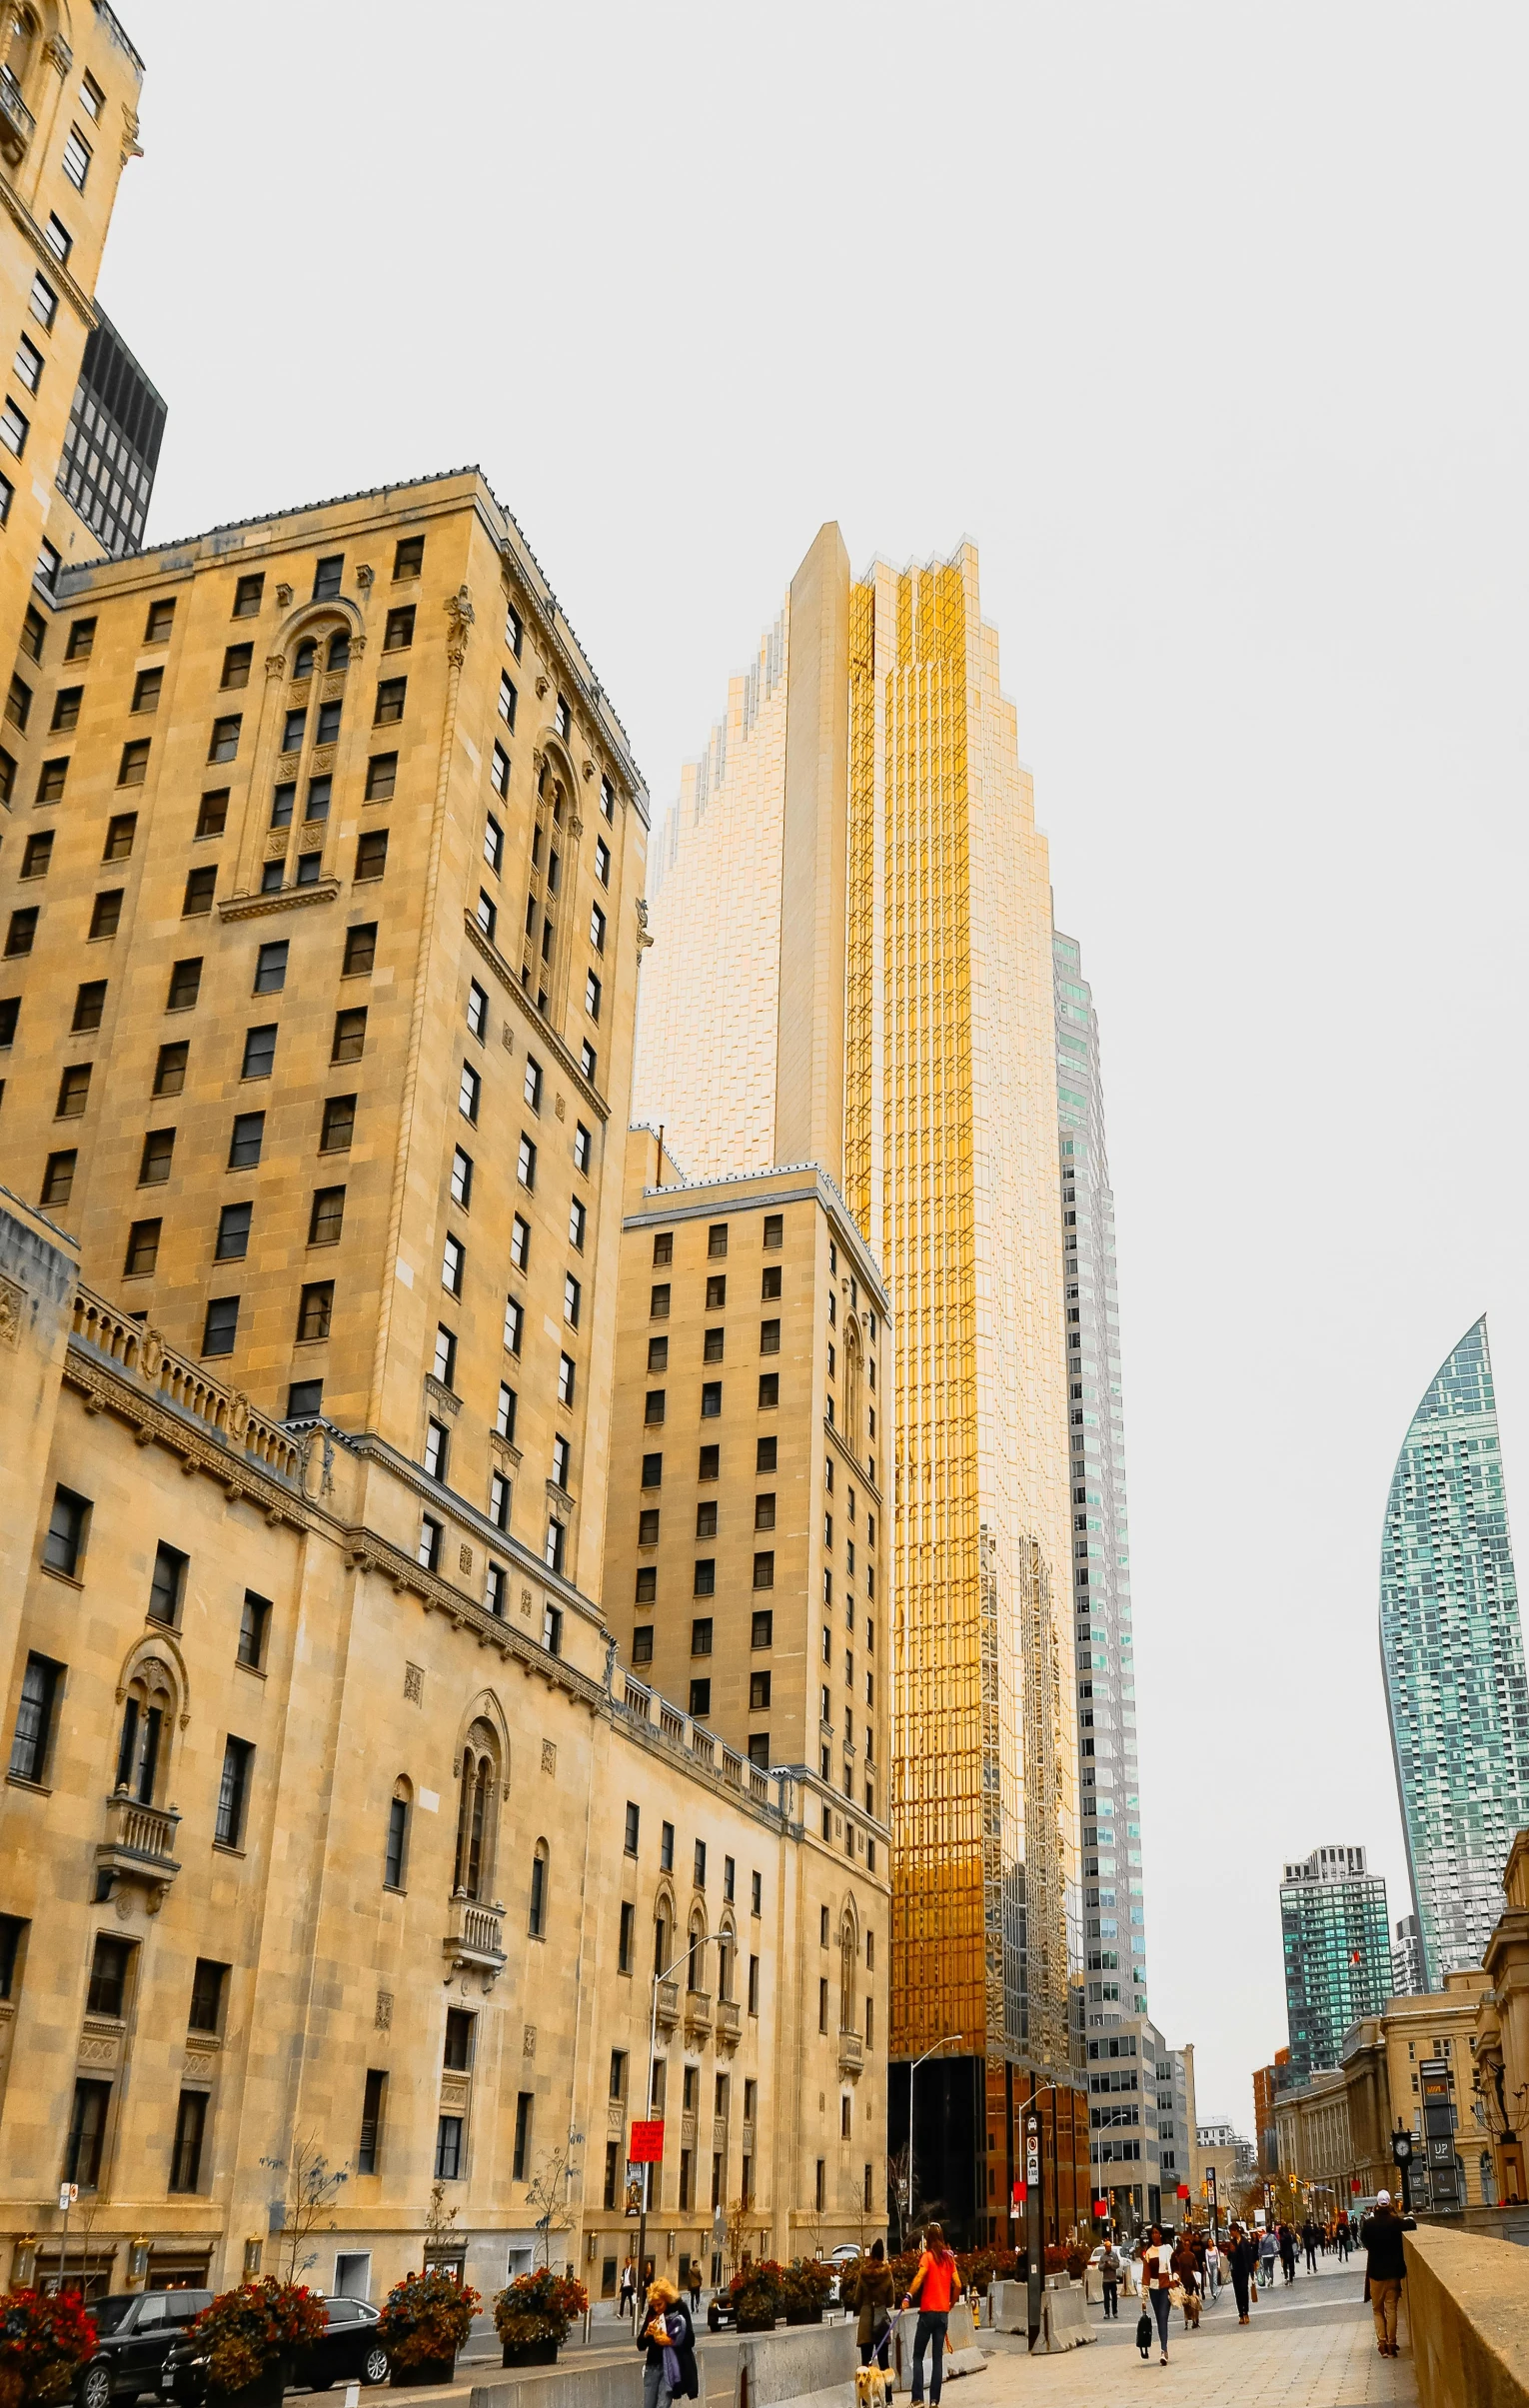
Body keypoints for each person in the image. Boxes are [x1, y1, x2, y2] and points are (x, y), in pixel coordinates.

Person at [901, 2223, 961, 2405]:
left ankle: (918, 2398)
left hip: (927, 2314)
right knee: (937, 2358)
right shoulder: (949, 2260)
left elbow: (920, 2277)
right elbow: (958, 2285)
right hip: (943, 2314)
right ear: (942, 2238)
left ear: (928, 2240)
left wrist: (907, 2297)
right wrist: (950, 2304)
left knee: (918, 2356)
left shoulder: (927, 2257)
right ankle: (934, 2400)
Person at [1361, 2188, 1415, 2359]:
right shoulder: (1395, 2222)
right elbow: (1411, 2224)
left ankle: (1382, 2344)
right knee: (1391, 2308)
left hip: (1376, 2273)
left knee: (1377, 2309)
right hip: (1393, 2272)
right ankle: (1392, 2343)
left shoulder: (1369, 2225)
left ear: (1377, 2204)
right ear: (1389, 2203)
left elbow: (1365, 2242)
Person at [636, 2277, 698, 2408]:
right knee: (648, 2405)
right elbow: (640, 2344)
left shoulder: (680, 2308)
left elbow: (690, 2339)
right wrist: (647, 2333)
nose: (657, 2308)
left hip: (669, 2366)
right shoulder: (652, 2312)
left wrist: (670, 2340)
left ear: (667, 2299)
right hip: (652, 2366)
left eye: (660, 2304)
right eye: (654, 2305)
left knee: (662, 2405)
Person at [848, 2238, 895, 2367]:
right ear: (882, 2255)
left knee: (865, 2365)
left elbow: (857, 2299)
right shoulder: (887, 2274)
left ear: (872, 2254)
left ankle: (867, 2388)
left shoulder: (863, 2274)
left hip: (865, 2320)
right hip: (881, 2321)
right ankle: (887, 2387)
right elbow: (891, 2301)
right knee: (884, 2364)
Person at [1139, 2225, 1175, 2364]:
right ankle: (1164, 2348)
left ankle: (1163, 2349)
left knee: (1163, 2316)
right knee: (1159, 2319)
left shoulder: (1168, 2249)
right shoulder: (1149, 2252)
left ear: (1161, 2234)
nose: (1154, 2235)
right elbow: (1146, 2275)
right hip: (1154, 2289)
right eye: (1152, 2233)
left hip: (1166, 2286)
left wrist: (1175, 2279)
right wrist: (1144, 2295)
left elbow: (1175, 2265)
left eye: (1156, 2232)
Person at [1225, 2223, 1257, 2324]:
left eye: (1232, 2231)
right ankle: (1240, 2314)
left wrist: (1252, 2272)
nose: (1231, 2233)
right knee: (1238, 2293)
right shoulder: (1232, 2242)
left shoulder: (1245, 2242)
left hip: (1244, 2270)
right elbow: (1229, 2257)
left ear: (1236, 2231)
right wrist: (1231, 2252)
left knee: (1244, 2291)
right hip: (1235, 2271)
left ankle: (1246, 2312)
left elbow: (1249, 2257)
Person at [1170, 2234, 1200, 2330]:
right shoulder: (1182, 2257)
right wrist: (1179, 2281)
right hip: (1184, 2281)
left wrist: (1196, 2281)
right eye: (1185, 2244)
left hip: (1191, 2281)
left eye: (1188, 2245)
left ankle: (1194, 2319)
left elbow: (1196, 2268)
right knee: (1185, 2301)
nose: (1186, 2246)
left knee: (1192, 2300)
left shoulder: (1192, 2256)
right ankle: (1188, 2319)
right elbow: (1180, 2269)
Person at [1098, 2236, 1122, 2320]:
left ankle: (1115, 2311)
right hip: (1106, 2280)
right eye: (1107, 2247)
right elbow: (1100, 2267)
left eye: (1109, 2247)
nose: (1108, 2248)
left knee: (1114, 2296)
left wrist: (1111, 2264)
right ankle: (1107, 2313)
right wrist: (1105, 2265)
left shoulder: (1114, 2255)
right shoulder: (1102, 2257)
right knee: (1106, 2297)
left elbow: (1117, 2265)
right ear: (1105, 2248)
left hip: (1113, 2279)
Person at [1257, 2223, 1277, 2288]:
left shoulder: (1263, 2237)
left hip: (1265, 2255)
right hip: (1271, 2254)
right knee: (1271, 2268)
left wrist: (1259, 2254)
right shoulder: (1273, 2236)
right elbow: (1276, 2244)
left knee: (1265, 2269)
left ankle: (1269, 2278)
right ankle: (1272, 2283)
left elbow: (1260, 2247)